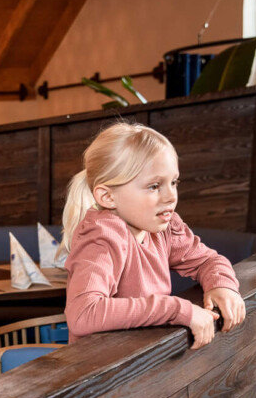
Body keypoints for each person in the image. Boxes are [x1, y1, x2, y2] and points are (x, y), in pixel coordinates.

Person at [59, 122, 246, 348]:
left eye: (174, 182)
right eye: (154, 186)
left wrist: (221, 285)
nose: (170, 197)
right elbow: (83, 315)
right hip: (101, 374)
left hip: (143, 364)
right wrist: (177, 309)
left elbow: (208, 260)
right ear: (107, 197)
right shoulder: (102, 237)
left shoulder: (163, 228)